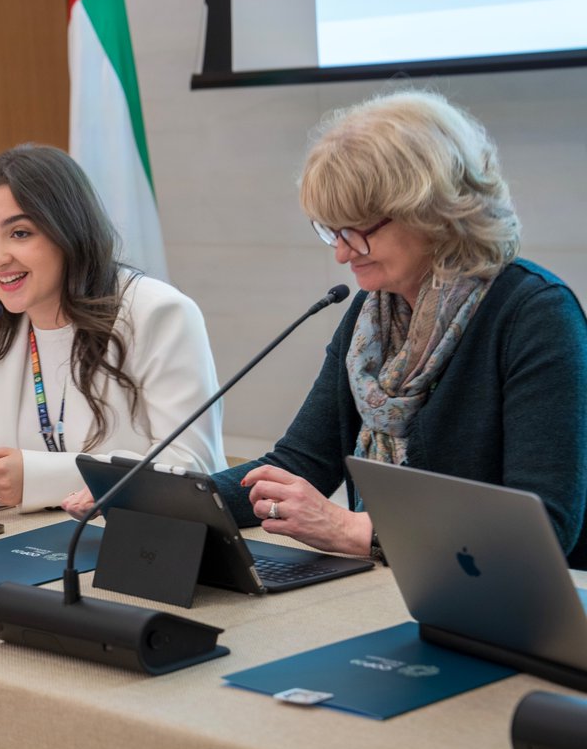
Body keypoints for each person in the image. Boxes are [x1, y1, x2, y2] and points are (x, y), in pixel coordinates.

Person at [209, 90, 587, 569]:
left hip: (515, 605)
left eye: (358, 230)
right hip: (397, 585)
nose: (342, 253)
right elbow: (301, 463)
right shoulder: (374, 313)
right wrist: (166, 497)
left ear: (432, 212)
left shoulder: (534, 314)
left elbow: (546, 526)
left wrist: (355, 529)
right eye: (331, 230)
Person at [0, 144, 225, 512]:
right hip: (21, 535)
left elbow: (193, 468)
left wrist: (41, 478)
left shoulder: (158, 313)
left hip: (134, 541)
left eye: (20, 233)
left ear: (68, 230)